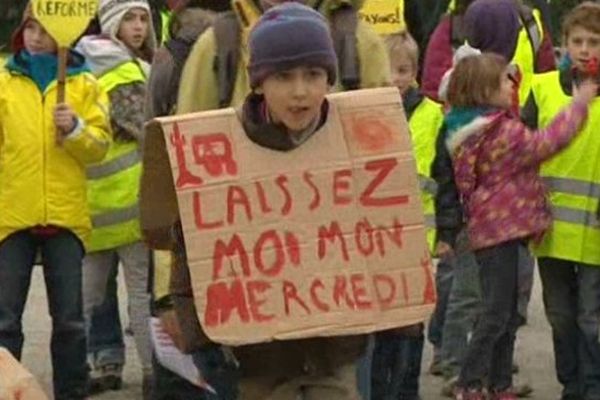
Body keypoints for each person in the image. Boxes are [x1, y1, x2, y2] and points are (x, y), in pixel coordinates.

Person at [444, 52, 597, 400]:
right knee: (497, 314)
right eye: (503, 81)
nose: (511, 85)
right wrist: (578, 106)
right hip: (503, 232)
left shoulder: (469, 130)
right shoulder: (502, 133)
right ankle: (470, 382)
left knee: (506, 312)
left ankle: (499, 384)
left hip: (493, 232)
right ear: (485, 91)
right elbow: (545, 144)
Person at [0, 3, 112, 399]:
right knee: (4, 321)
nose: (35, 36)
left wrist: (77, 128)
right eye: (30, 27)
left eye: (44, 30)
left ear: (63, 37)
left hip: (65, 216)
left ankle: (71, 392)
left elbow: (100, 146)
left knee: (69, 321)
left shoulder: (85, 85)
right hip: (11, 216)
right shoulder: (3, 82)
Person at [76, 0, 156, 397]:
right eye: (129, 18)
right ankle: (152, 374)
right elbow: (148, 130)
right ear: (110, 24)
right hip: (130, 204)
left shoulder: (79, 65)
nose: (139, 27)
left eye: (143, 18)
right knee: (141, 298)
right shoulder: (124, 70)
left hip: (91, 205)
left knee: (87, 302)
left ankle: (87, 368)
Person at [522, 3, 600, 399]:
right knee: (560, 317)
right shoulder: (542, 88)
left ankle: (591, 388)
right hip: (549, 229)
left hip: (595, 234)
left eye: (594, 42)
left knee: (591, 319)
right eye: (577, 41)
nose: (585, 50)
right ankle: (571, 384)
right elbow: (520, 151)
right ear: (565, 45)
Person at [370, 31, 443, 400]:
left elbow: (444, 176)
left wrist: (448, 230)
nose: (396, 79)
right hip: (376, 238)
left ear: (414, 71)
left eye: (402, 70)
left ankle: (406, 392)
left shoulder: (432, 115)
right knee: (381, 325)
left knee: (411, 326)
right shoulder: (367, 112)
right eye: (389, 71)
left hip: (419, 238)